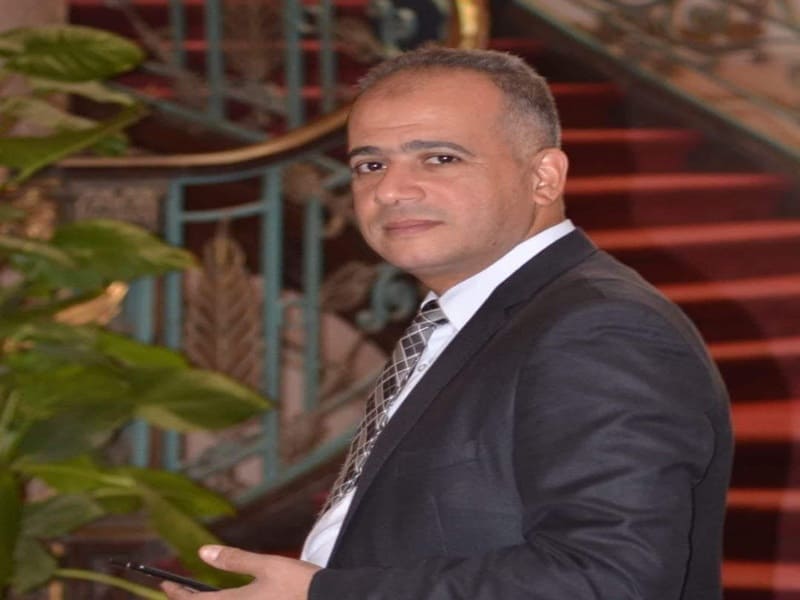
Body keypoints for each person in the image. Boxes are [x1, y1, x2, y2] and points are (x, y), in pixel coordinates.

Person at [163, 47, 733, 600]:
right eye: (370, 165)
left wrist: (326, 593)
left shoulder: (598, 329)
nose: (390, 190)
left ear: (544, 177)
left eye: (440, 158)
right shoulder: (471, 319)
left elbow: (609, 578)